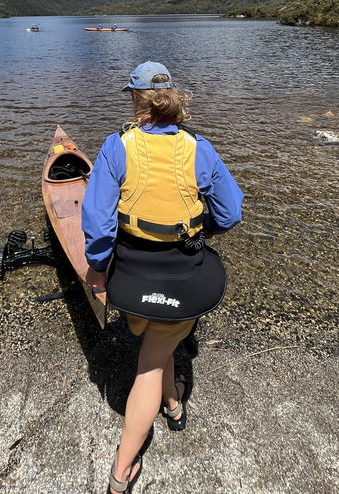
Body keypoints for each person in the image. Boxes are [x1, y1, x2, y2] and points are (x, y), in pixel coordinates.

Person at [82, 61, 243, 493]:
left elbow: (98, 226)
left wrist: (98, 272)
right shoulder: (198, 147)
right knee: (151, 362)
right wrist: (202, 229)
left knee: (158, 339)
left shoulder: (117, 147)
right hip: (181, 280)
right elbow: (231, 212)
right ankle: (122, 470)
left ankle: (173, 404)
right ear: (173, 97)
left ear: (135, 100)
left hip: (130, 282)